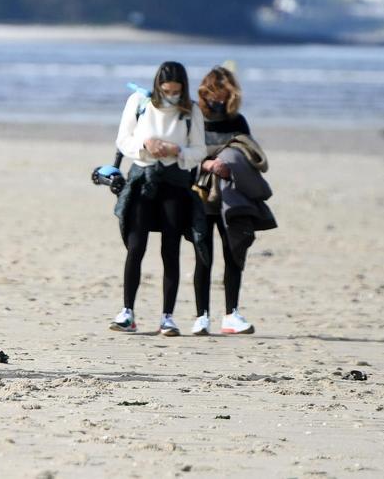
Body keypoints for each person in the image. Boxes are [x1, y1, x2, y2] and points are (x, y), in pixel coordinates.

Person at [110, 61, 205, 337]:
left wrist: (177, 150)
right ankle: (127, 311)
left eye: (176, 91)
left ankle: (168, 316)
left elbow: (199, 150)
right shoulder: (139, 102)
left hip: (175, 182)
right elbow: (123, 140)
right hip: (143, 178)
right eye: (166, 90)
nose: (171, 95)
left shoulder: (191, 110)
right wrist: (145, 145)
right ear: (157, 86)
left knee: (171, 248)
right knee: (136, 245)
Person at [192, 65, 275, 335]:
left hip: (231, 198)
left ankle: (231, 314)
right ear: (205, 92)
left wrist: (230, 164)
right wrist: (207, 165)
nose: (219, 99)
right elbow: (185, 155)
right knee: (203, 256)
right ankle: (201, 316)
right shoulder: (193, 118)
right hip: (201, 196)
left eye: (225, 95)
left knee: (233, 253)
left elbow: (250, 156)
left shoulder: (238, 121)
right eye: (215, 93)